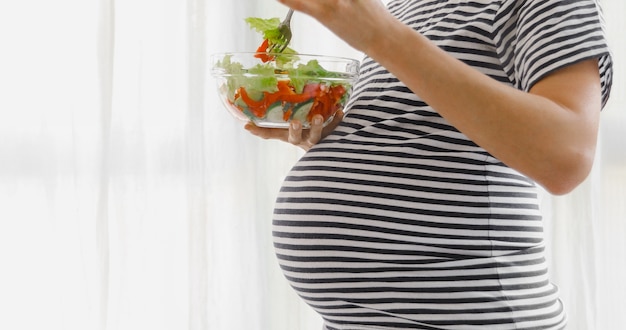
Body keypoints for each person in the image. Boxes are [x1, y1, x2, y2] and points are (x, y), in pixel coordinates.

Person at [246, 0, 613, 329]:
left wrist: (381, 36)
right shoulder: (407, 7)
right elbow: (427, 128)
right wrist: (336, 135)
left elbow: (566, 154)